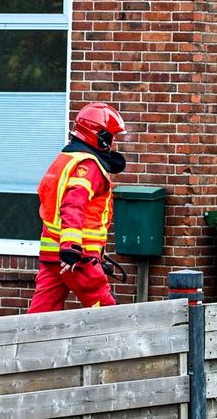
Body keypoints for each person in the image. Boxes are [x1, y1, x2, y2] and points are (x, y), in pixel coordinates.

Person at [29, 102, 128, 313]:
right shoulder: (89, 166)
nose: (113, 144)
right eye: (110, 137)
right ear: (99, 137)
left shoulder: (64, 160)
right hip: (78, 257)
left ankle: (27, 346)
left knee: (40, 315)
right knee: (108, 315)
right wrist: (71, 248)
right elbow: (73, 204)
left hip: (51, 256)